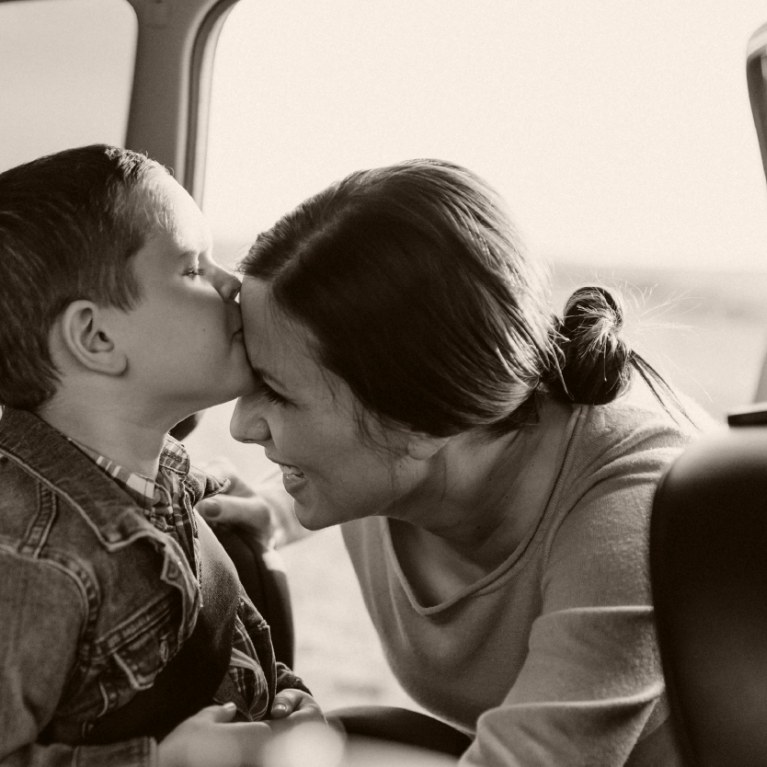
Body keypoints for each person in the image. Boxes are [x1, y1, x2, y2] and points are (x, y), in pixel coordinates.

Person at [201, 159, 707, 766]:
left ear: (422, 416)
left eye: (277, 393)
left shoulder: (633, 513)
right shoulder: (388, 456)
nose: (240, 424)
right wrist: (271, 510)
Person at [0, 145, 321, 767]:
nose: (235, 283)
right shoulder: (28, 561)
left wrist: (286, 700)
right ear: (96, 338)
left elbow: (239, 652)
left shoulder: (177, 488)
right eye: (193, 268)